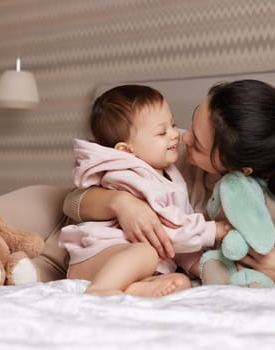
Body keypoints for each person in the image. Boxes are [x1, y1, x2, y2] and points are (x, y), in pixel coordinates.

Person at [64, 79, 275, 286]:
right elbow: (71, 202)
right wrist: (121, 204)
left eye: (199, 144)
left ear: (242, 169)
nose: (182, 137)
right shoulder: (163, 152)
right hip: (86, 239)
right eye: (190, 121)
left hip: (136, 263)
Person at [60, 84, 230, 297]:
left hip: (132, 264)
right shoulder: (129, 173)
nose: (176, 135)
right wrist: (215, 230)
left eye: (173, 124)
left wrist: (202, 267)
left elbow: (176, 240)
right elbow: (170, 228)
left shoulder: (170, 172)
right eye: (162, 132)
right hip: (99, 256)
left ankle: (134, 289)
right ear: (127, 150)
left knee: (180, 282)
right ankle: (100, 290)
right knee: (145, 253)